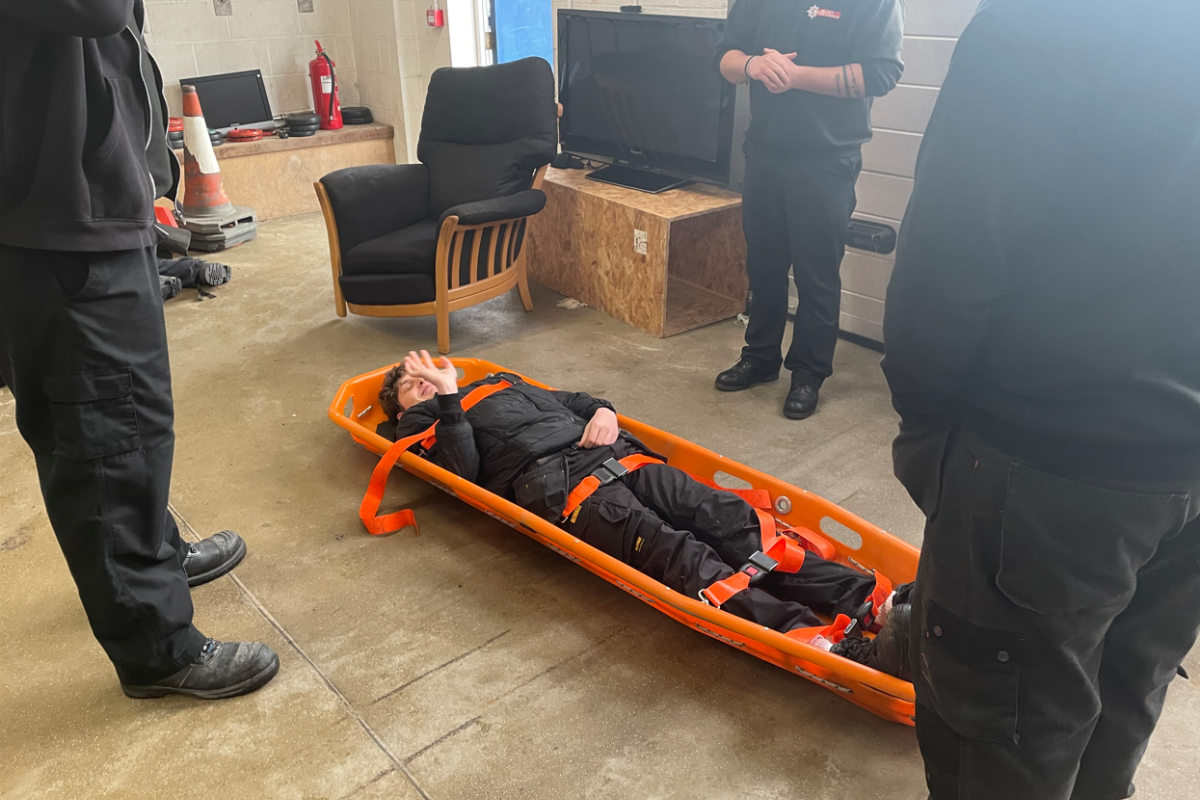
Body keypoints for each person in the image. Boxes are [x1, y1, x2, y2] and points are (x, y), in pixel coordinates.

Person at [882, 1, 1200, 797]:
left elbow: (950, 257)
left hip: (1045, 468)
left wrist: (925, 424)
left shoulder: (1044, 24)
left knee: (1002, 739)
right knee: (1126, 694)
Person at [0, 2, 278, 699]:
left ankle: (154, 557)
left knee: (133, 419)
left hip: (94, 206)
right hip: (57, 221)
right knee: (101, 438)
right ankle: (156, 649)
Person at [381, 351, 913, 678]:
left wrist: (606, 412)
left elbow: (577, 398)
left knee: (731, 519)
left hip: (618, 453)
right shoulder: (421, 426)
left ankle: (872, 601)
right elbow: (461, 473)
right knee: (685, 557)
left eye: (426, 372)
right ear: (402, 408)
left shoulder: (499, 380)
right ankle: (832, 650)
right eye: (411, 383)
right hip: (565, 489)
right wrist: (446, 398)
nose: (423, 379)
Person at [712, 0, 903, 419]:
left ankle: (808, 373)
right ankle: (760, 357)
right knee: (763, 266)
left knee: (816, 273)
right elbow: (724, 57)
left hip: (828, 157)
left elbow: (882, 72)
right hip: (764, 151)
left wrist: (795, 77)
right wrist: (753, 67)